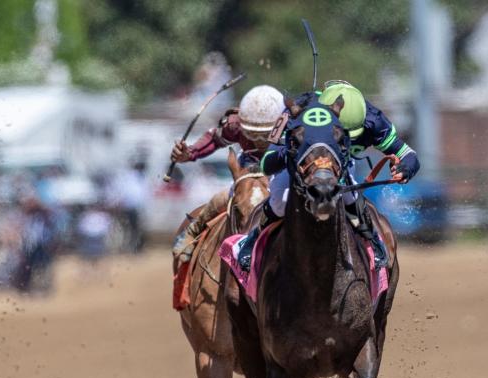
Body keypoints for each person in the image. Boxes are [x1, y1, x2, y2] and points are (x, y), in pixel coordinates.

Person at [239, 80, 420, 269]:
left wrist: (405, 169)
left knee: (351, 198)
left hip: (338, 166)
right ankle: (254, 238)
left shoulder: (374, 121)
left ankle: (371, 238)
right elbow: (267, 164)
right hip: (297, 166)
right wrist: (292, 151)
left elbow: (409, 155)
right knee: (279, 201)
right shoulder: (296, 113)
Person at [170, 85, 285, 262]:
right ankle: (193, 231)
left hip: (278, 166)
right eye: (253, 134)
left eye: (265, 135)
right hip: (247, 167)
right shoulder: (235, 125)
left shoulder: (291, 124)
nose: (260, 141)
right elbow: (214, 139)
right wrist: (190, 153)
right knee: (223, 198)